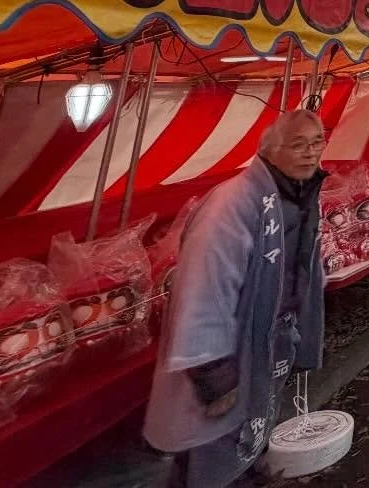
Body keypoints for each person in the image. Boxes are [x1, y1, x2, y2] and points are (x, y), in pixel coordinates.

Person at [144, 109, 328, 488]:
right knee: (208, 452)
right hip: (229, 352)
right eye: (298, 145)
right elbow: (203, 287)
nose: (311, 154)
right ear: (268, 151)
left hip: (269, 343)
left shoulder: (301, 196)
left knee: (250, 432)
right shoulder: (232, 204)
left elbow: (305, 268)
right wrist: (213, 373)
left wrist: (302, 333)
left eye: (316, 143)